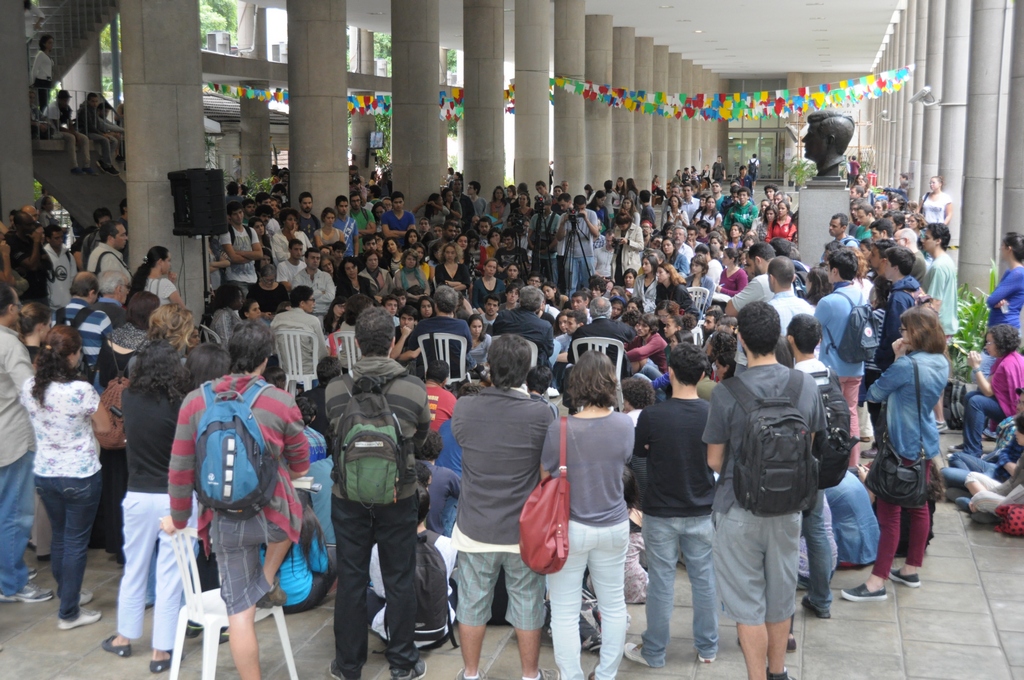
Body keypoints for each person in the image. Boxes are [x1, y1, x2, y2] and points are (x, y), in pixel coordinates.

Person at [166, 321, 310, 680]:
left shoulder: (195, 401)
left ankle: (255, 592)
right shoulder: (280, 402)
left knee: (240, 614)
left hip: (222, 520)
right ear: (265, 361)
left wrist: (180, 519)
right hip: (272, 519)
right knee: (297, 510)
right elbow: (301, 464)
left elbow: (181, 468)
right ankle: (266, 579)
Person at [702, 301, 824, 680]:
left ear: (740, 339)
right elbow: (812, 444)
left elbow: (714, 461)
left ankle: (756, 676)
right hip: (788, 508)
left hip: (738, 508)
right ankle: (778, 673)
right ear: (779, 338)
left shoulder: (727, 392)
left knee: (746, 604)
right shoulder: (803, 384)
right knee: (780, 598)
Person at [325, 306, 431, 680]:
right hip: (398, 497)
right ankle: (402, 662)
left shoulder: (336, 388)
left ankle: (348, 664)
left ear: (355, 343)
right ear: (391, 344)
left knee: (351, 579)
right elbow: (419, 438)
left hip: (348, 497)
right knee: (398, 576)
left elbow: (333, 438)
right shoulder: (414, 388)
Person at [450, 335, 557, 680]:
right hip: (523, 530)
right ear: (526, 370)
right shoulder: (541, 413)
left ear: (490, 367)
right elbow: (547, 471)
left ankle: (470, 673)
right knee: (527, 602)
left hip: (475, 525)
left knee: (471, 602)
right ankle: (530, 674)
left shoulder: (465, 406)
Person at [842, 306, 948, 601]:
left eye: (903, 330)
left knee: (889, 514)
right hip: (926, 443)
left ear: (915, 332)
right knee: (918, 504)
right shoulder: (941, 361)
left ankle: (877, 582)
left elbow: (874, 393)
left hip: (901, 445)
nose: (900, 334)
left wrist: (899, 356)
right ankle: (911, 568)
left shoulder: (907, 365)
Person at [624, 342, 718, 669]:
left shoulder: (652, 415)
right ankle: (707, 647)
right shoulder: (710, 414)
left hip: (660, 511)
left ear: (671, 373)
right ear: (704, 374)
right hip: (702, 509)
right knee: (704, 578)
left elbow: (640, 455)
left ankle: (654, 652)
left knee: (662, 581)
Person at [101, 341, 193, 670]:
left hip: (138, 494)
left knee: (135, 568)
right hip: (175, 496)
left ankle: (124, 638)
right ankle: (162, 651)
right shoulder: (183, 403)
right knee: (170, 575)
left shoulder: (129, 398)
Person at [542, 351, 633, 680]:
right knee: (613, 605)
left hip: (570, 528)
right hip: (614, 525)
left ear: (576, 383)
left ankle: (572, 676)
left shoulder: (560, 427)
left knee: (564, 612)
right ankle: (606, 674)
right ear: (611, 382)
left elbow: (544, 474)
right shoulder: (624, 425)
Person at [20, 326, 112, 629]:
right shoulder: (81, 389)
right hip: (80, 473)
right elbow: (105, 427)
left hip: (46, 472)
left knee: (61, 537)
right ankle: (69, 613)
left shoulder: (31, 386)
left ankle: (68, 594)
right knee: (74, 542)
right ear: (72, 355)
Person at [0, 284, 54, 606]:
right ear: (8, 310)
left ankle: (9, 568)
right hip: (13, 439)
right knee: (15, 514)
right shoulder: (9, 345)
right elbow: (29, 389)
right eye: (17, 304)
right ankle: (11, 583)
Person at [814, 248, 866, 466]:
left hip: (832, 369)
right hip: (856, 366)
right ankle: (853, 463)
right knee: (851, 413)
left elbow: (814, 331)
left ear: (834, 271)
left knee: (829, 415)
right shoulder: (862, 295)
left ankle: (831, 461)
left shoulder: (828, 302)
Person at [953, 325, 1024, 458]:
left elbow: (987, 391)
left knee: (976, 401)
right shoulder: (1007, 358)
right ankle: (971, 443)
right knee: (970, 396)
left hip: (1015, 412)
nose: (986, 347)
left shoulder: (1007, 363)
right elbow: (988, 384)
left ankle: (972, 451)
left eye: (989, 342)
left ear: (1000, 343)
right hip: (1011, 406)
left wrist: (975, 367)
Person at [271, 286, 329, 378]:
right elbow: (321, 352)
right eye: (312, 300)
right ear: (302, 303)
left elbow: (274, 348)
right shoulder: (313, 320)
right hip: (309, 370)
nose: (314, 303)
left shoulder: (278, 318)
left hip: (286, 369)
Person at [490, 285, 555, 367]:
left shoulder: (503, 316)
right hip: (530, 369)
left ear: (520, 301)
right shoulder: (545, 326)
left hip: (503, 365)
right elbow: (549, 352)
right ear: (540, 305)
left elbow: (495, 337)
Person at [291, 248, 336, 317]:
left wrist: (308, 299)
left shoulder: (326, 276)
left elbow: (330, 297)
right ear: (305, 260)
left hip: (325, 315)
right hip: (304, 316)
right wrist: (321, 292)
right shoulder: (297, 278)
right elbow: (297, 300)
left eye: (318, 258)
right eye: (313, 258)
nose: (315, 260)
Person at [43, 223, 77, 308]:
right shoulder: (44, 255)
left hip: (67, 303)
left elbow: (73, 278)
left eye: (62, 237)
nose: (60, 240)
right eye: (56, 238)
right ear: (48, 239)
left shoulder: (68, 255)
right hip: (50, 304)